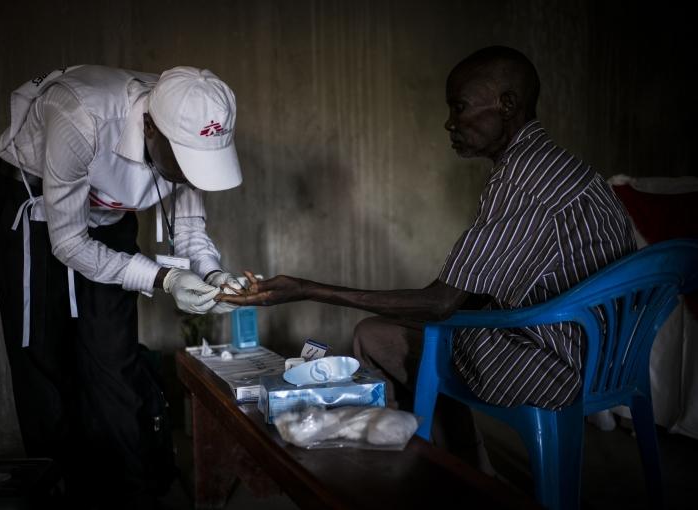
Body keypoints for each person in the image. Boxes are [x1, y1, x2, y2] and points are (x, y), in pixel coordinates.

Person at [218, 46, 636, 470]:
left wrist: (305, 289)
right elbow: (483, 291)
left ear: (507, 105)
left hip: (558, 367)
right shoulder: (565, 167)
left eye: (460, 107)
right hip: (612, 358)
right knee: (432, 329)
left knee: (377, 337)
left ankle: (435, 476)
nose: (450, 123)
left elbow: (440, 302)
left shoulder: (522, 180)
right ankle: (467, 466)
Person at [0, 65, 245, 509]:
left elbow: (189, 231)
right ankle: (61, 493)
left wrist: (213, 276)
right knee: (44, 356)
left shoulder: (185, 123)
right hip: (35, 204)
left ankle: (133, 493)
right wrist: (163, 277)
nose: (190, 175)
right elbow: (69, 242)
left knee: (113, 353)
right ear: (149, 127)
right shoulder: (80, 113)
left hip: (108, 210)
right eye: (186, 161)